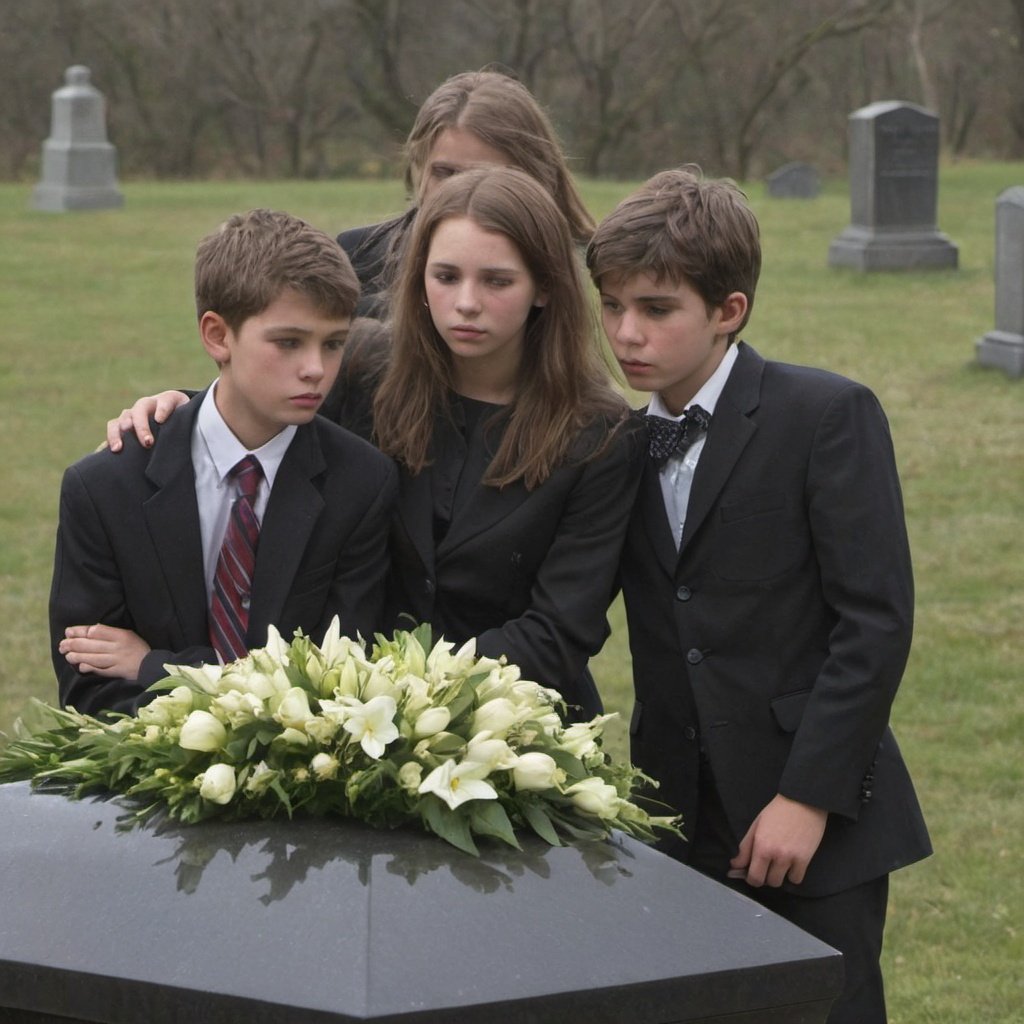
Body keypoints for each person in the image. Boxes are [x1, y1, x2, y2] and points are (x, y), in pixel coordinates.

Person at [101, 168, 643, 719]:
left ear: (545, 286)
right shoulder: (365, 367)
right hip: (346, 724)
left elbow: (557, 632)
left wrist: (390, 692)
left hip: (515, 726)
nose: (466, 302)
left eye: (497, 281)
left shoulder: (598, 432)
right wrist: (180, 410)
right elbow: (269, 410)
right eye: (446, 276)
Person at [585, 167, 931, 1024]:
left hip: (816, 817)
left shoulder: (825, 415)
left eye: (657, 309)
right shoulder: (621, 444)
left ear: (728, 311)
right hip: (678, 814)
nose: (627, 333)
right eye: (613, 305)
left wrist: (808, 796)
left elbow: (875, 623)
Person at [52, 209, 398, 717]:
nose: (316, 370)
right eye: (288, 342)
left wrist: (158, 668)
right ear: (217, 336)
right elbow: (89, 690)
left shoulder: (360, 483)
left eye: (333, 344)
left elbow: (338, 683)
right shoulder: (105, 487)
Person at [337, 68, 594, 318]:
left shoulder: (554, 267)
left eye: (487, 177)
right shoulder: (358, 256)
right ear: (419, 165)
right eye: (445, 173)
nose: (461, 191)